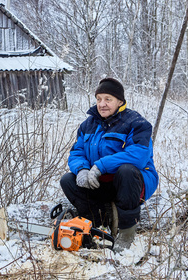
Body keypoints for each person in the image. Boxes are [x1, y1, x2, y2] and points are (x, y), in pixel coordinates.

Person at [60, 78, 158, 252]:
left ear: (120, 101)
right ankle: (99, 224)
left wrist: (100, 166)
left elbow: (138, 156)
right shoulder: (88, 125)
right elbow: (77, 152)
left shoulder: (137, 123)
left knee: (126, 170)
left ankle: (127, 233)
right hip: (100, 181)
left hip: (133, 182)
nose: (102, 104)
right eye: (99, 99)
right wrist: (82, 169)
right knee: (68, 179)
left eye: (108, 99)